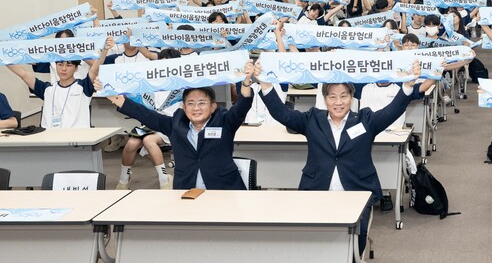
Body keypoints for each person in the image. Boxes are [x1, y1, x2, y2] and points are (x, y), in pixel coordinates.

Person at [255, 62, 422, 254]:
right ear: (325, 99)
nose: (338, 102)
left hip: (357, 192)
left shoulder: (365, 120)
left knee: (354, 246)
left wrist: (408, 86)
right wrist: (266, 85)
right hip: (317, 190)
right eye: (332, 97)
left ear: (352, 98)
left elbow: (391, 111)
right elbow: (282, 114)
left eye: (344, 96)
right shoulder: (312, 119)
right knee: (314, 243)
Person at [98, 60, 256, 190]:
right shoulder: (176, 123)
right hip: (186, 191)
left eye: (202, 103)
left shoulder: (224, 121)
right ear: (184, 107)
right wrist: (113, 96)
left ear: (213, 106)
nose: (196, 108)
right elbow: (146, 115)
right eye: (191, 103)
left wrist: (246, 82)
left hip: (224, 190)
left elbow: (241, 107)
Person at [5, 37, 114, 129]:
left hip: (78, 141)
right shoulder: (47, 89)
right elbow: (23, 74)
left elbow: (95, 69)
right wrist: (3, 54)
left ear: (76, 68)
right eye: (60, 64)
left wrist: (104, 50)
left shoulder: (83, 86)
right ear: (55, 66)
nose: (64, 69)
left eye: (69, 65)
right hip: (50, 140)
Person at [115, 49, 182, 190]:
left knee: (148, 141)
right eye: (162, 63)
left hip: (170, 125)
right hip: (150, 124)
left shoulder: (183, 86)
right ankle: (123, 180)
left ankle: (164, 180)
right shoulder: (151, 84)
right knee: (131, 143)